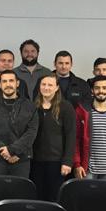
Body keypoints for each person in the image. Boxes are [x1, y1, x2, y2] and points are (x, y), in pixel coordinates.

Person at [0, 70, 38, 177]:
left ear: (17, 83)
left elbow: (31, 132)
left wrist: (13, 150)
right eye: (4, 81)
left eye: (11, 81)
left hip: (21, 159)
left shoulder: (30, 106)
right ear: (0, 84)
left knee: (19, 193)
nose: (8, 84)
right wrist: (5, 152)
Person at [30, 74, 77, 202]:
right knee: (38, 197)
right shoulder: (33, 106)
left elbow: (71, 135)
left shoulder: (66, 107)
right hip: (35, 160)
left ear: (57, 88)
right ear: (39, 87)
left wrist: (67, 161)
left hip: (57, 162)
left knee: (54, 198)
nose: (46, 88)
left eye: (50, 85)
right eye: (43, 84)